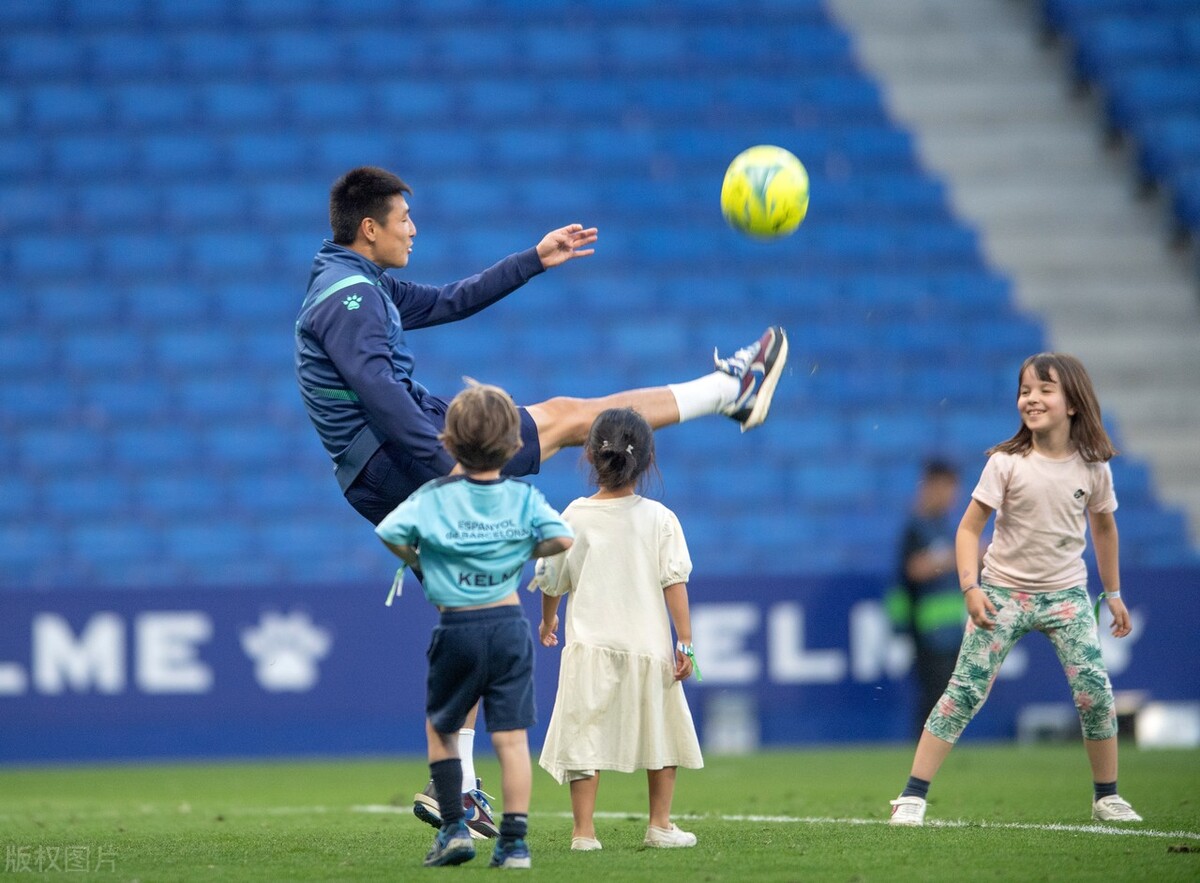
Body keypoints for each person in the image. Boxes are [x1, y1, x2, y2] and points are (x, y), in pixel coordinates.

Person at [294, 165, 787, 831]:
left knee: (486, 591)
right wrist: (460, 475)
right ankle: (729, 391)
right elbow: (380, 397)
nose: (414, 227)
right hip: (398, 455)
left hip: (393, 456)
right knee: (560, 435)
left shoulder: (359, 282)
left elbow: (448, 301)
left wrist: (533, 259)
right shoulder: (348, 299)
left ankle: (456, 788)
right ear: (369, 227)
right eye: (404, 217)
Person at [888, 353, 1141, 827]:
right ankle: (911, 796)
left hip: (1067, 596)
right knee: (963, 693)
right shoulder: (1005, 463)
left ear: (1073, 403)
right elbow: (967, 531)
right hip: (1003, 593)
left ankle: (1106, 796)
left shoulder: (1093, 468)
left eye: (1045, 390)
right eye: (1025, 390)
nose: (1032, 398)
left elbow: (1104, 530)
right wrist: (970, 587)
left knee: (1095, 693)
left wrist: (1113, 593)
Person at [375, 382, 574, 868]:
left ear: (447, 443)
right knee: (510, 739)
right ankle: (515, 843)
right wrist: (516, 554)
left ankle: (454, 829)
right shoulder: (521, 497)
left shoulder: (434, 497)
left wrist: (423, 556)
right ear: (512, 446)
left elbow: (390, 533)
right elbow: (562, 539)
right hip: (508, 625)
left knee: (442, 728)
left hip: (458, 628)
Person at [532, 407, 703, 851]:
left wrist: (549, 620)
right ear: (648, 461)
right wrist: (685, 641)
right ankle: (660, 824)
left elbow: (552, 577)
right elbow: (675, 582)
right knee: (662, 732)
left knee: (585, 735)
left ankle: (583, 831)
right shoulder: (660, 518)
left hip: (590, 645)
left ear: (589, 456)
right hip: (648, 646)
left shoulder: (575, 515)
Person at [886, 459, 967, 738]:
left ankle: (932, 759)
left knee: (949, 700)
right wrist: (958, 558)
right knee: (935, 699)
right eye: (947, 488)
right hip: (926, 631)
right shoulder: (916, 528)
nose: (951, 496)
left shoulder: (944, 525)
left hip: (952, 629)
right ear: (931, 487)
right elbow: (914, 569)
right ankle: (923, 758)